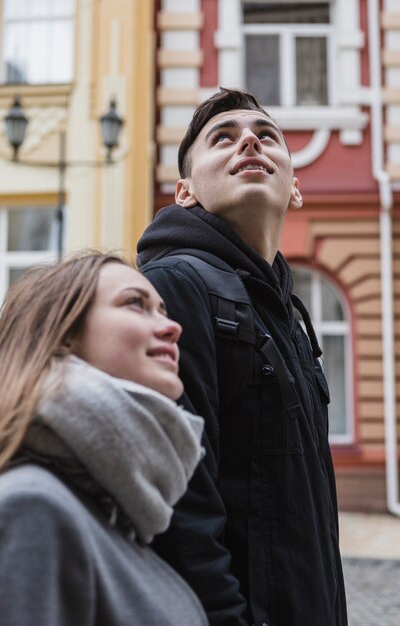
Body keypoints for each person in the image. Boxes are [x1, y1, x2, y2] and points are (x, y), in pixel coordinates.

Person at [137, 88, 348, 626]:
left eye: (265, 135)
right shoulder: (176, 285)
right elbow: (179, 498)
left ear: (295, 188)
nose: (249, 140)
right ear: (184, 191)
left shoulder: (289, 312)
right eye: (222, 139)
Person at [0, 252, 209, 626]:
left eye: (163, 310)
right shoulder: (29, 509)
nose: (172, 327)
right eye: (135, 304)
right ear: (65, 336)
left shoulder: (113, 508)